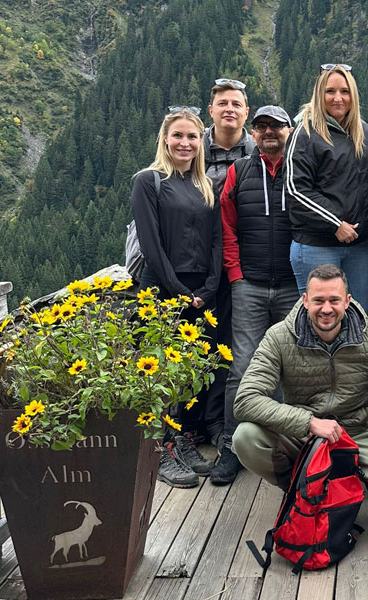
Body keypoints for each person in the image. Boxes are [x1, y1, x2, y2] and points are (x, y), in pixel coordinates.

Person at [232, 264, 368, 512]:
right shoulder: (279, 337)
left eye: (334, 300)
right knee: (245, 437)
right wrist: (309, 422)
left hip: (358, 433)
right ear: (305, 301)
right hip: (302, 434)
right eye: (318, 300)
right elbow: (246, 400)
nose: (326, 309)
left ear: (347, 301)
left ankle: (346, 483)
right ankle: (300, 488)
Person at [131, 106, 221, 488]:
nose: (185, 143)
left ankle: (181, 441)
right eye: (178, 136)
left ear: (201, 143)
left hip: (200, 290)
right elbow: (151, 246)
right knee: (161, 370)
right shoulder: (148, 181)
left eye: (193, 137)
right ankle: (161, 450)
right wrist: (180, 292)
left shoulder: (204, 185)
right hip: (161, 288)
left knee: (189, 372)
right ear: (165, 139)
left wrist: (210, 286)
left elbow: (216, 239)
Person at [217, 105, 297, 485]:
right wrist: (235, 275)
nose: (269, 133)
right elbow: (227, 226)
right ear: (253, 132)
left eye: (276, 127)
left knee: (290, 366)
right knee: (243, 366)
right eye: (262, 127)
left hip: (292, 285)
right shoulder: (239, 171)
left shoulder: (302, 169)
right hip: (248, 283)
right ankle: (232, 446)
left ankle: (283, 446)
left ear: (290, 129)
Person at [202, 78, 258, 469]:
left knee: (235, 349)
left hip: (240, 263)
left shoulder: (258, 152)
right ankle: (202, 426)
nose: (229, 109)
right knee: (203, 345)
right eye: (223, 103)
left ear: (246, 111)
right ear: (211, 110)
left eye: (236, 104)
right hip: (200, 261)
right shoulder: (190, 148)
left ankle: (230, 432)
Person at [285, 64, 368, 312]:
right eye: (330, 91)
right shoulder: (305, 132)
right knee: (320, 317)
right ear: (319, 94)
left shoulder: (363, 131)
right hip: (317, 245)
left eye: (344, 91)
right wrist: (335, 224)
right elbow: (295, 189)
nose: (338, 98)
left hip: (357, 246)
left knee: (358, 318)